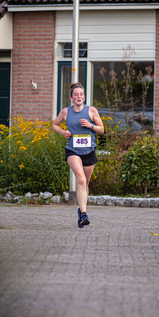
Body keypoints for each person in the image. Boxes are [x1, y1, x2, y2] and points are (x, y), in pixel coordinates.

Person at [52, 82, 104, 228]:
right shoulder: (65, 112)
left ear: (84, 97)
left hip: (89, 150)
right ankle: (84, 215)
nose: (79, 96)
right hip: (73, 150)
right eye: (76, 94)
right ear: (71, 98)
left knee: (85, 183)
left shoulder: (91, 111)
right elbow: (54, 125)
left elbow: (101, 129)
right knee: (80, 180)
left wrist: (90, 125)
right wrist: (63, 132)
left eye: (81, 94)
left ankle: (80, 211)